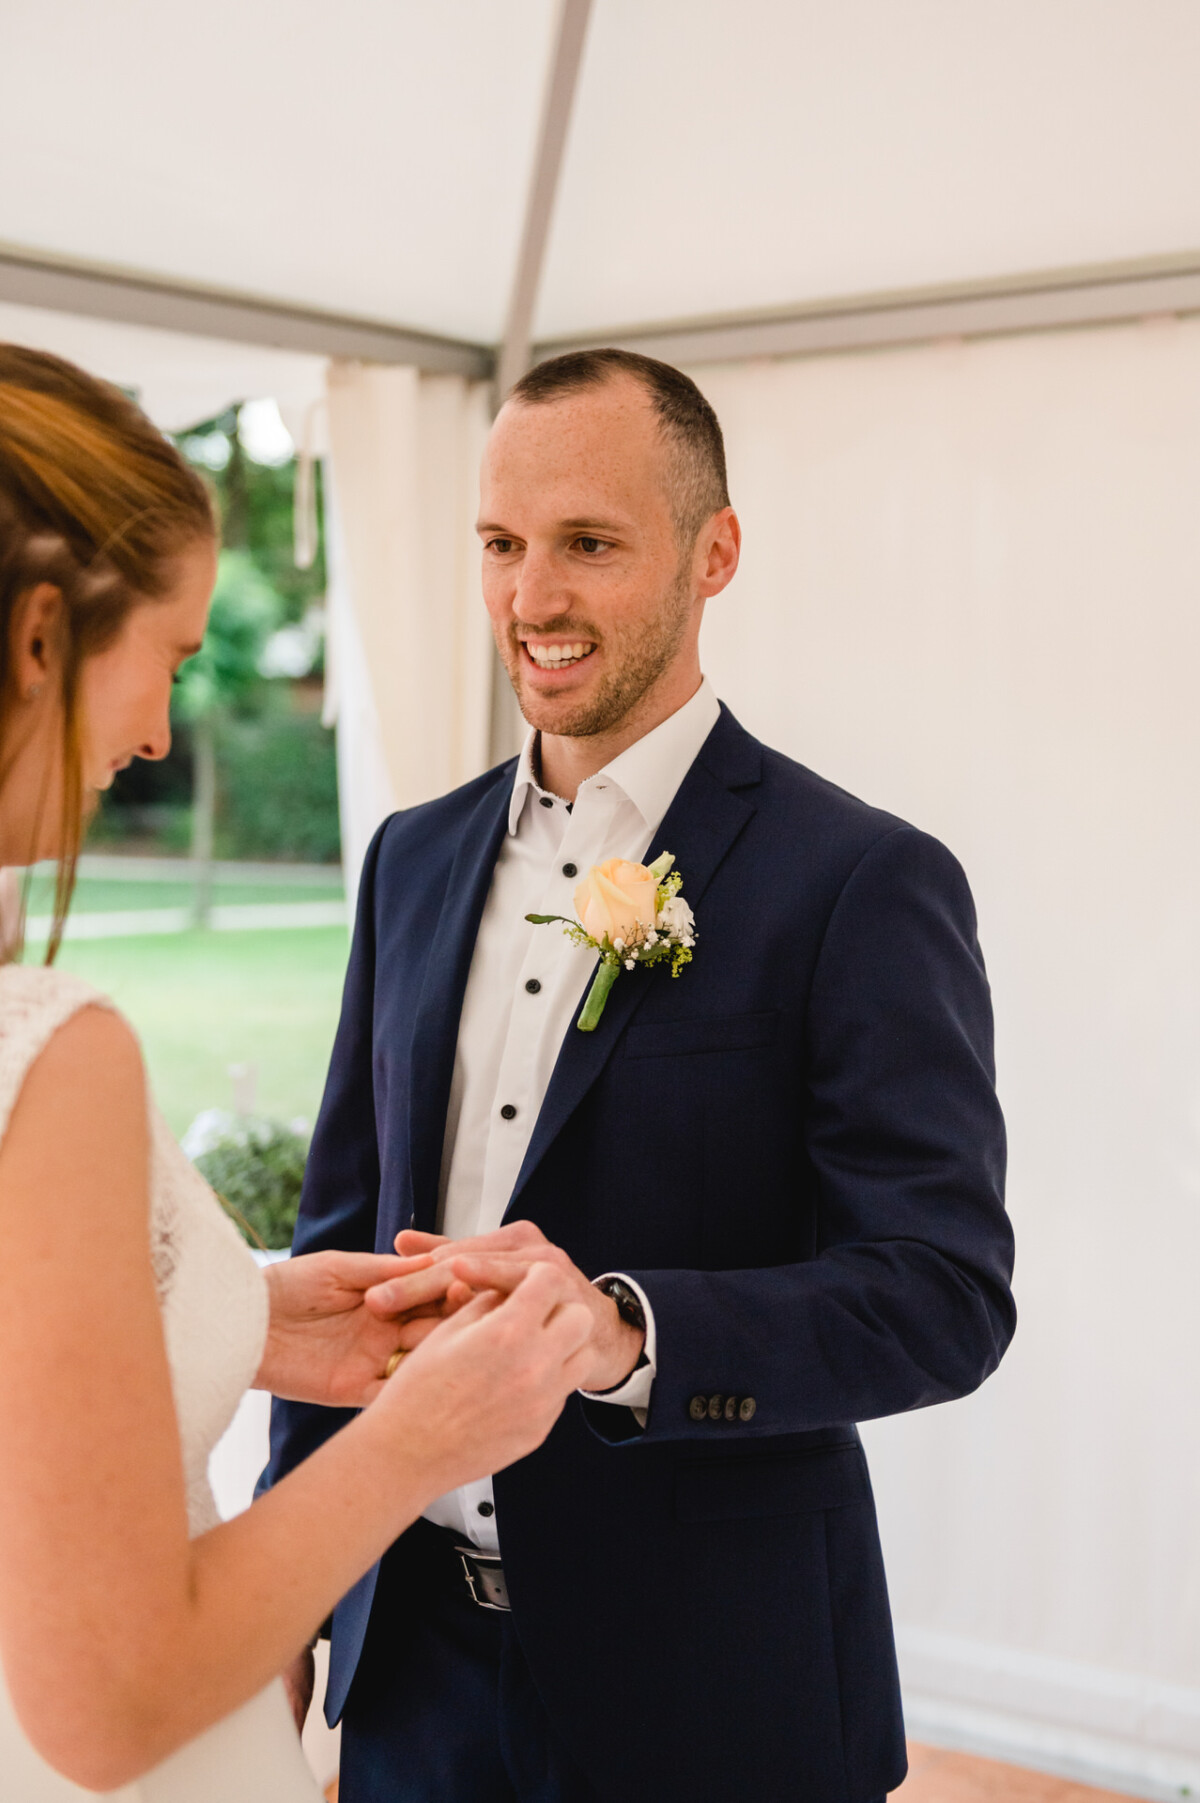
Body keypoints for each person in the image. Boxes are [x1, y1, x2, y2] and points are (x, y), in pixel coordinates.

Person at [265, 348, 1017, 1803]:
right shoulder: (409, 859)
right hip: (409, 1668)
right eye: (501, 544)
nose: (532, 599)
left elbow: (945, 1295)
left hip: (715, 1693)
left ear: (713, 553)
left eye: (590, 544)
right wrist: (292, 1567)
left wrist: (623, 1331)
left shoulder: (861, 881)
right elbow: (336, 1244)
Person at [0, 344, 596, 1802]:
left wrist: (241, 1313)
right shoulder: (51, 1048)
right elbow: (118, 1694)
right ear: (36, 641)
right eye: (177, 658)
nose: (155, 731)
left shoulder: (861, 876)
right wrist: (418, 1440)